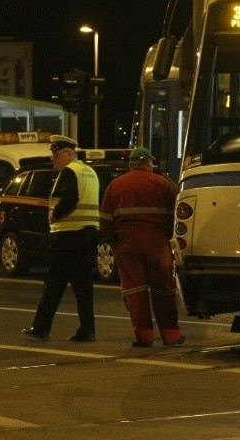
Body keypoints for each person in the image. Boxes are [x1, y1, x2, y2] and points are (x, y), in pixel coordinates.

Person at [99, 147, 184, 347]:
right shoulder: (162, 183)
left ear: (131, 164)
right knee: (163, 289)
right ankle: (171, 335)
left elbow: (105, 220)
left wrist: (114, 240)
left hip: (127, 244)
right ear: (148, 163)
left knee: (135, 291)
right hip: (157, 243)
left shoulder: (115, 185)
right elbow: (175, 216)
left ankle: (144, 336)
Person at [22, 135, 100, 342]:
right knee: (83, 286)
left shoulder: (69, 171)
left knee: (54, 283)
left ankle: (40, 328)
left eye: (55, 154)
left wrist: (55, 214)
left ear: (67, 153)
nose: (52, 158)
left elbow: (71, 198)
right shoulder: (90, 172)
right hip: (89, 233)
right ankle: (87, 330)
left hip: (68, 236)